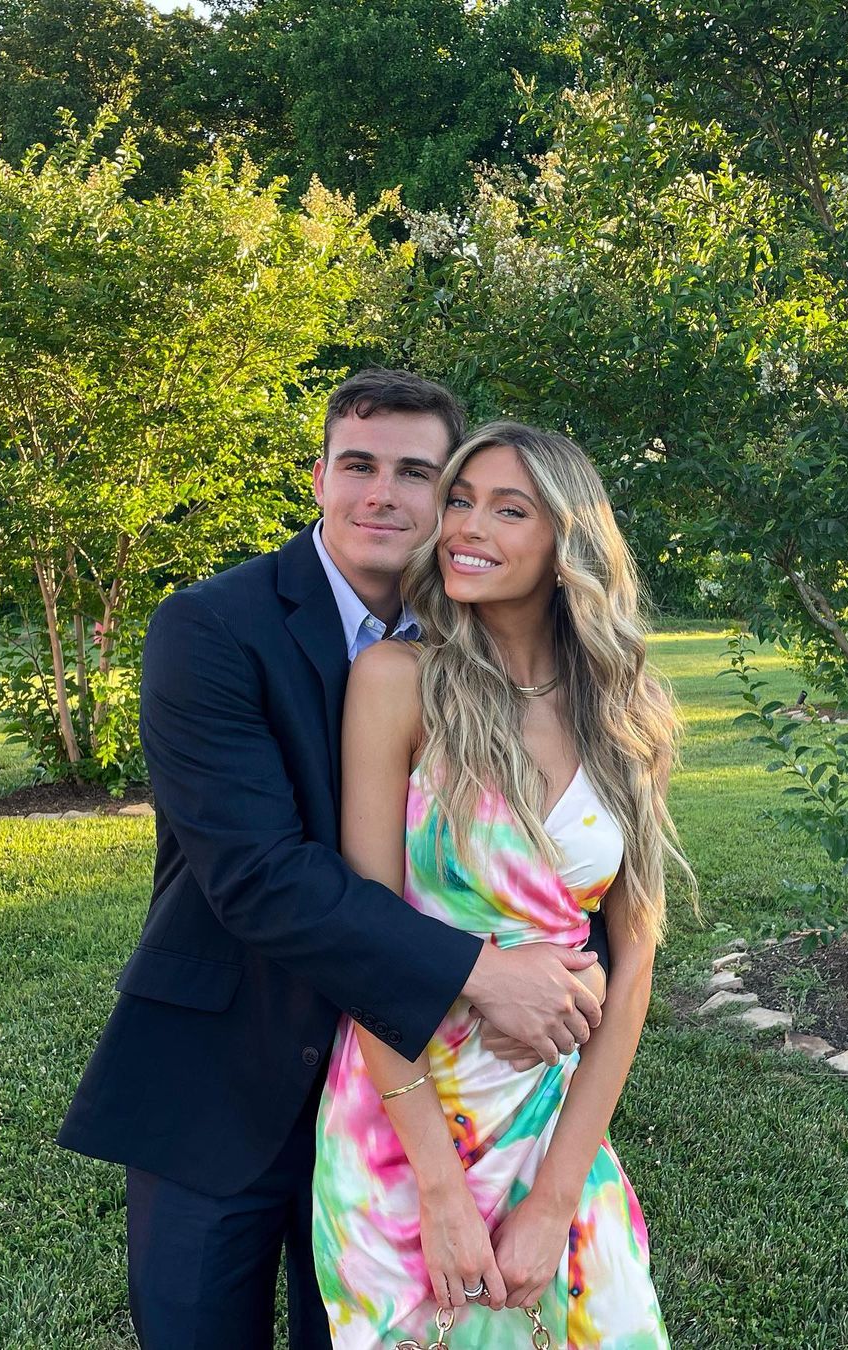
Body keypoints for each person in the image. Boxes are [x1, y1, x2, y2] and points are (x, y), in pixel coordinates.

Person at [57, 371, 610, 1350]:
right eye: (358, 465)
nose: (382, 495)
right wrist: (488, 975)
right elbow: (258, 876)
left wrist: (579, 973)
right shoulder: (212, 626)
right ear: (318, 479)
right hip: (222, 1075)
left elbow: (549, 854)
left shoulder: (479, 651)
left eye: (417, 474)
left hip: (415, 1102)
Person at [313, 421, 690, 1348]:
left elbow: (634, 963)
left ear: (567, 542)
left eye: (508, 510)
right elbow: (367, 945)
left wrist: (556, 1200)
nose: (466, 528)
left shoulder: (626, 709)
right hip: (403, 1134)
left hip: (554, 1120)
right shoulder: (398, 681)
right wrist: (440, 1194)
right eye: (459, 501)